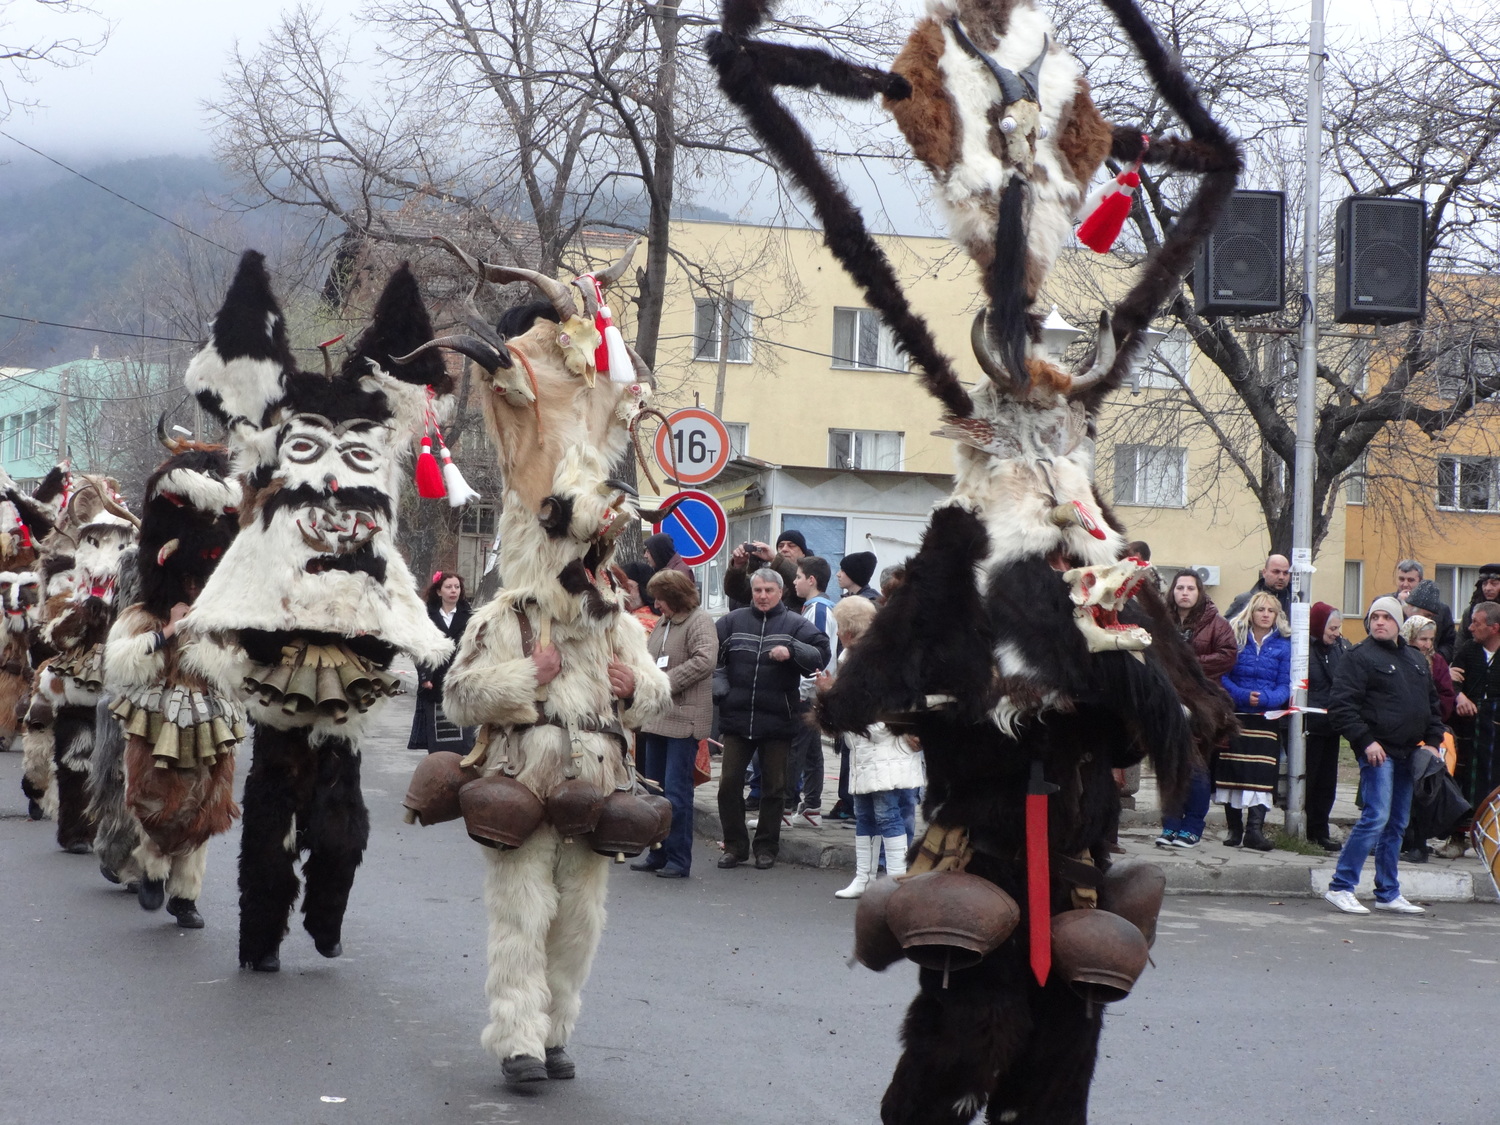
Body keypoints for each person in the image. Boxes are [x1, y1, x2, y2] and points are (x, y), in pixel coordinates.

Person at [1323, 597, 1446, 915]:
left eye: (1386, 617)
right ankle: (1341, 886)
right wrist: (1366, 742)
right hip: (1378, 753)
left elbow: (1432, 706)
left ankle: (1388, 892)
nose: (1379, 622)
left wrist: (1432, 742)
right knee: (1376, 817)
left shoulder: (1415, 660)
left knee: (1397, 824)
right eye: (1374, 617)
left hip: (1410, 753)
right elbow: (1342, 706)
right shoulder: (1358, 657)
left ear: (1397, 623)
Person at [714, 568, 830, 869]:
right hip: (738, 718)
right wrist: (721, 690)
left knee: (775, 787)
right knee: (728, 785)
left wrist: (791, 650)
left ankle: (766, 847)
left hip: (778, 719)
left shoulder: (795, 623)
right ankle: (735, 846)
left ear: (780, 592)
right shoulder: (731, 622)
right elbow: (713, 659)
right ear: (751, 593)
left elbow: (821, 654)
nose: (763, 596)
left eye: (768, 590)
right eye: (757, 591)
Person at [818, 596, 924, 898]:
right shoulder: (848, 659)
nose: (837, 633)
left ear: (849, 631)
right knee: (864, 814)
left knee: (888, 813)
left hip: (885, 749)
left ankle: (894, 882)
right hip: (862, 747)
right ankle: (863, 878)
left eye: (840, 628)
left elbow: (889, 709)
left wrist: (844, 712)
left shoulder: (882, 660)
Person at [632, 571, 717, 879]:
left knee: (677, 795)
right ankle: (657, 854)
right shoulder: (663, 623)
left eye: (660, 598)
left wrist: (663, 683)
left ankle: (678, 859)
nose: (656, 604)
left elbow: (705, 660)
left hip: (683, 721)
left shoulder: (699, 621)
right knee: (654, 794)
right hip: (656, 720)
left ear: (677, 597)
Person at [1153, 569, 1236, 849]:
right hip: (1168, 700)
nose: (1185, 593)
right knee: (1170, 766)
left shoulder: (1216, 622)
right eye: (1180, 588)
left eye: (1190, 588)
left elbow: (1228, 655)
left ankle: (1192, 827)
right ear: (1172, 592)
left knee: (1196, 765)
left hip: (1202, 704)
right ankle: (1170, 826)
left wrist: (1188, 665)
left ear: (1199, 592)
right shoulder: (1160, 621)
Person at [1216, 591, 1291, 851]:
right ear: (1252, 612)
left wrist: (1269, 699)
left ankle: (1254, 831)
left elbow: (1285, 685)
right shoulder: (1235, 638)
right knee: (1234, 771)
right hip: (1237, 714)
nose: (1265, 614)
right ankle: (1234, 829)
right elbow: (1223, 677)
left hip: (1266, 718)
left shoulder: (1283, 644)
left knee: (1261, 773)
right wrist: (1243, 695)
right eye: (1261, 609)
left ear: (1277, 615)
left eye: (1270, 610)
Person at [1397, 613, 1456, 863]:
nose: (1427, 644)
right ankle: (1400, 839)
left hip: (1429, 736)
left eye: (1431, 639)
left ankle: (1419, 844)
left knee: (1423, 791)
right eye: (1422, 639)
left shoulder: (1437, 663)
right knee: (1401, 792)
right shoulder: (1398, 659)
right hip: (1401, 734)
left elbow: (1444, 696)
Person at [787, 555, 838, 827]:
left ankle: (784, 808)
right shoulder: (816, 608)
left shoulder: (817, 610)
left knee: (795, 749)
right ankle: (812, 808)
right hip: (815, 691)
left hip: (809, 692)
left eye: (797, 576)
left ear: (811, 580)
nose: (794, 582)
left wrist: (803, 690)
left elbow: (815, 655)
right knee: (811, 750)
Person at [1450, 600, 1500, 859]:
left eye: (1476, 623)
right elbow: (1452, 683)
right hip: (1468, 733)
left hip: (1496, 735)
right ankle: (1456, 838)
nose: (1470, 628)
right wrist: (1459, 697)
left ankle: (1490, 843)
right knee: (1463, 781)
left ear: (1494, 628)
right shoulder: (1468, 651)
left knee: (1494, 787)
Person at [408, 571, 477, 754]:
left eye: (457, 587)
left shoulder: (471, 617)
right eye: (448, 587)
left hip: (461, 682)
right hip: (434, 682)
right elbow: (419, 649)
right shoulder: (426, 617)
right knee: (439, 740)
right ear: (439, 591)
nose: (453, 590)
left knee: (465, 741)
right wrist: (425, 676)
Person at [1304, 602, 1352, 851]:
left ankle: (1320, 830)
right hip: (1309, 726)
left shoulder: (1340, 649)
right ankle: (1306, 829)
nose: (1336, 633)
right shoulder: (1303, 648)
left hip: (1332, 726)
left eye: (1338, 628)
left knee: (1327, 782)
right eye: (1332, 628)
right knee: (1309, 781)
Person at [723, 530, 806, 610]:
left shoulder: (813, 571)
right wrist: (738, 565)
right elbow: (735, 590)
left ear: (803, 553)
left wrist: (775, 559)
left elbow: (804, 586)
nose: (784, 549)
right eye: (780, 546)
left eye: (791, 546)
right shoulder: (769, 574)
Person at [1392, 569, 1456, 662]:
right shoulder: (1392, 618)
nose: (1428, 620)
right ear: (1410, 609)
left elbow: (1450, 643)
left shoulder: (1443, 612)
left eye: (1410, 580)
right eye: (1427, 615)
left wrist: (1434, 660)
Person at [1226, 553, 1292, 619]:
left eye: (1285, 573)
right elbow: (1225, 627)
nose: (1281, 577)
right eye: (1276, 572)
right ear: (1264, 572)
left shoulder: (1298, 601)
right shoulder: (1244, 601)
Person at [1457, 564, 1500, 637]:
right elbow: (1460, 644)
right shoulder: (1470, 612)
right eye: (1484, 584)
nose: (1487, 588)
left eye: (1494, 583)